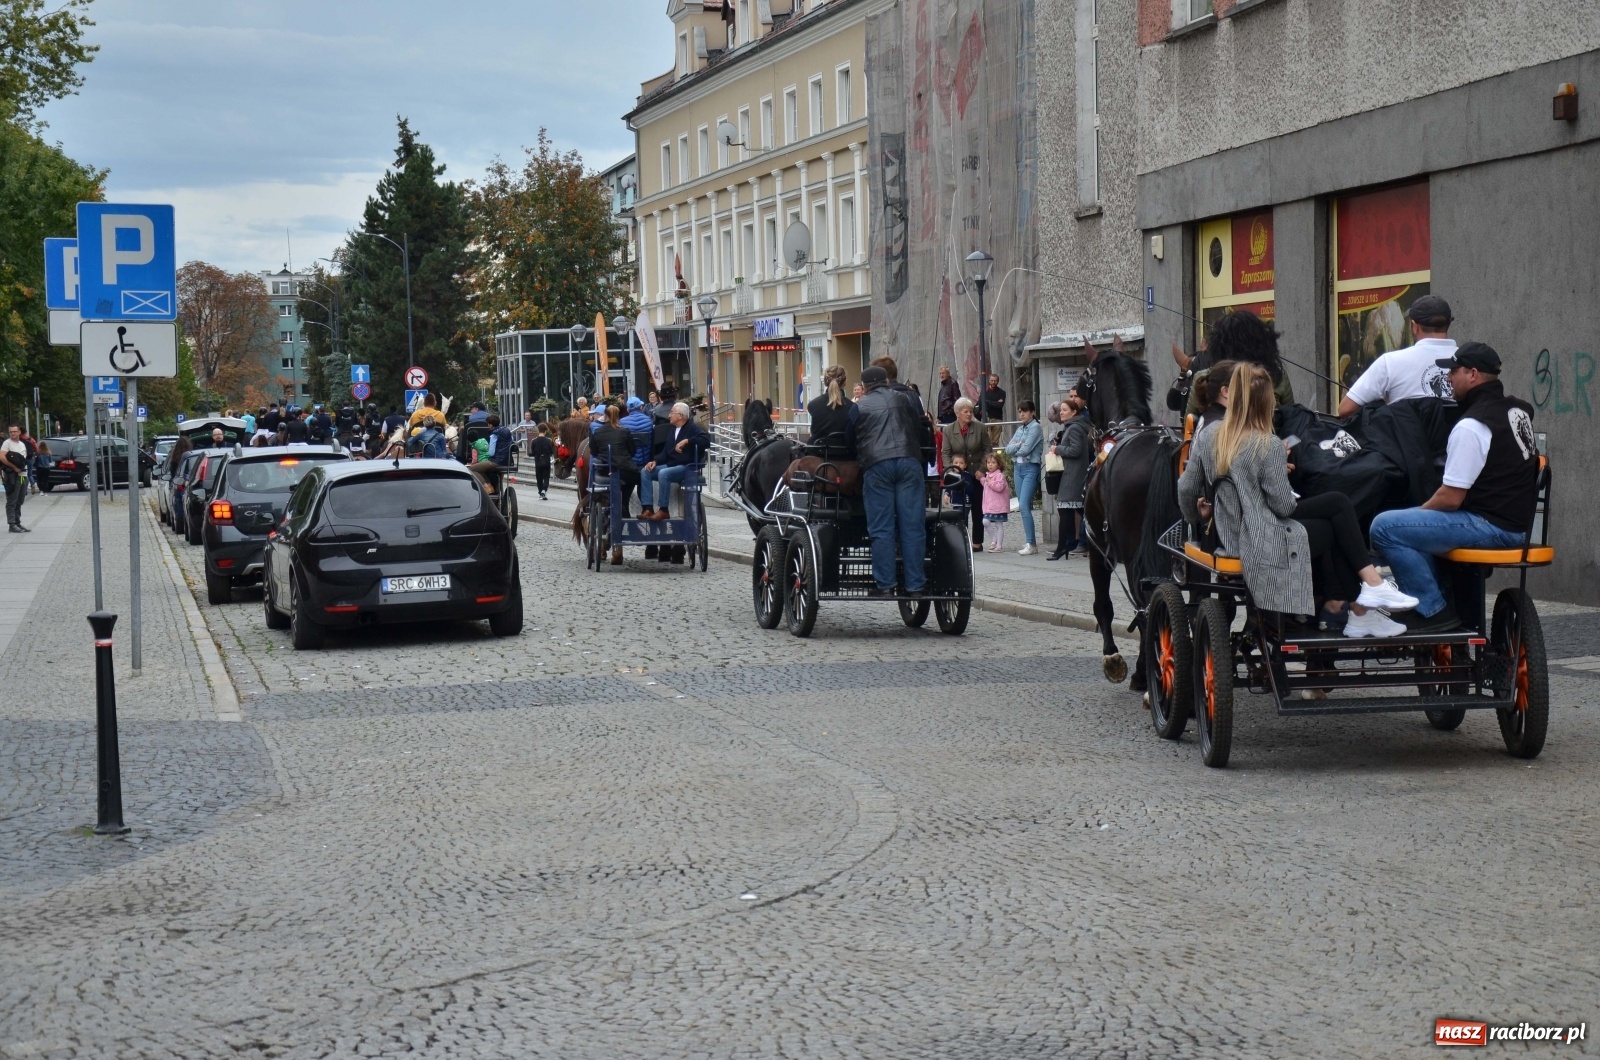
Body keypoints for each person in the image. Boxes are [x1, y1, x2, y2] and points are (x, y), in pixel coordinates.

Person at [1178, 363, 1419, 638]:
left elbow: (1186, 488)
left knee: (1337, 509)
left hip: (1228, 533)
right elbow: (1283, 507)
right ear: (1265, 404)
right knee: (1338, 518)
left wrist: (1196, 517)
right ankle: (1363, 600)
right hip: (1261, 537)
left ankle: (1364, 603)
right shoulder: (1267, 444)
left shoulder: (1209, 434)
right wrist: (1278, 472)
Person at [1370, 343, 1541, 633]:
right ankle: (1441, 596)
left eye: (1453, 371)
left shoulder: (1472, 425)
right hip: (1520, 523)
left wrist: (1416, 513)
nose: (1448, 378)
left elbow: (1450, 498)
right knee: (1410, 528)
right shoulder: (1518, 410)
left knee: (1386, 527)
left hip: (1492, 526)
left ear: (1472, 374)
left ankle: (1432, 610)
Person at [847, 365, 926, 596]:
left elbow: (849, 439)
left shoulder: (859, 407)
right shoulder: (906, 399)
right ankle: (915, 585)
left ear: (864, 387)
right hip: (909, 461)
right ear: (888, 382)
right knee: (913, 526)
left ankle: (886, 585)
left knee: (882, 528)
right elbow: (919, 429)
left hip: (878, 465)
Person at [1336, 295, 1458, 416]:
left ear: (1414, 327)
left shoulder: (1389, 362)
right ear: (1448, 324)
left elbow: (1345, 409)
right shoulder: (1470, 363)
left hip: (1405, 435)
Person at [1186, 310, 1294, 418]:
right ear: (1261, 343)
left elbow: (1189, 423)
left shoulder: (1204, 378)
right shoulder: (1277, 376)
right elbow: (1292, 419)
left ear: (1219, 345)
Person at [640, 401, 709, 520]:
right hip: (671, 464)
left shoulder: (693, 428)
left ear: (680, 416)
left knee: (664, 473)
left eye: (672, 412)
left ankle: (664, 510)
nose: (669, 415)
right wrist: (655, 461)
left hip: (687, 466)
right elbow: (667, 451)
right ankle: (648, 508)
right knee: (645, 471)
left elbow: (706, 440)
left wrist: (688, 441)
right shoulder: (672, 429)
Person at [941, 396, 989, 552]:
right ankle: (960, 540)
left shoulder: (980, 428)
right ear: (957, 413)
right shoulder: (948, 430)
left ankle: (977, 541)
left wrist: (982, 469)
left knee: (977, 508)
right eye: (966, 411)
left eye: (971, 411)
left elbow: (987, 450)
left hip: (976, 474)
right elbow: (946, 453)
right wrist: (951, 469)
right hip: (957, 475)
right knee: (958, 509)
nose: (969, 414)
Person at [1048, 394, 1091, 560]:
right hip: (1072, 473)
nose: (1061, 413)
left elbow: (1076, 450)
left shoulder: (1074, 428)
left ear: (1074, 412)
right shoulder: (1072, 427)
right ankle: (1068, 544)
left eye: (1065, 410)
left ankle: (1063, 547)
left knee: (1065, 510)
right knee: (1077, 510)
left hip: (1073, 474)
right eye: (1061, 411)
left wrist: (1057, 449)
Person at [1002, 399, 1043, 555]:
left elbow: (1027, 449)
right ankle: (1029, 541)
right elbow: (1007, 449)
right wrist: (1018, 445)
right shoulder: (1020, 429)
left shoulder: (1036, 427)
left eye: (1024, 411)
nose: (1021, 414)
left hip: (1030, 467)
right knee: (1021, 504)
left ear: (1032, 412)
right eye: (1019, 411)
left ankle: (1031, 543)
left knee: (1024, 504)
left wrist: (1017, 447)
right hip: (1018, 468)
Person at [806, 365, 854, 449]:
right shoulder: (852, 407)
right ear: (845, 382)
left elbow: (814, 431)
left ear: (825, 382)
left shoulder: (813, 404)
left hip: (818, 449)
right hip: (845, 452)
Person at [979, 453, 1011, 552]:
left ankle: (999, 546)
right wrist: (983, 479)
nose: (990, 465)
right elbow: (985, 485)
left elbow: (999, 487)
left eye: (993, 462)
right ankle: (994, 539)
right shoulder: (988, 475)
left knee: (999, 525)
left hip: (999, 506)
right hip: (989, 506)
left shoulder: (1000, 476)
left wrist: (988, 481)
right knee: (985, 521)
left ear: (998, 464)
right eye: (988, 462)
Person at [2, 425, 30, 532]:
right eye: (10, 432)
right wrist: (13, 467)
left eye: (14, 431)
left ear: (19, 432)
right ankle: (12, 524)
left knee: (20, 499)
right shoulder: (7, 443)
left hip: (23, 476)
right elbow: (2, 456)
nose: (12, 433)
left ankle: (17, 522)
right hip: (13, 476)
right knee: (12, 500)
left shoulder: (22, 444)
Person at [528, 423, 555, 500]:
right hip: (546, 461)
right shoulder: (549, 441)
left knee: (539, 478)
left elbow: (532, 452)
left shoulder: (534, 441)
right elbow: (551, 451)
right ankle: (544, 490)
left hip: (538, 462)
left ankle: (540, 491)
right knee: (546, 477)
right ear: (545, 431)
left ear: (538, 430)